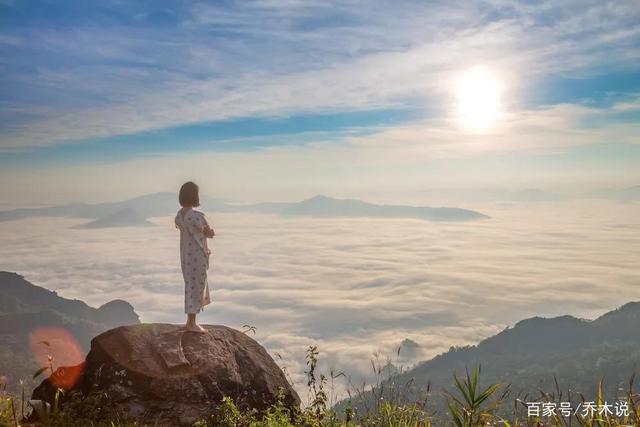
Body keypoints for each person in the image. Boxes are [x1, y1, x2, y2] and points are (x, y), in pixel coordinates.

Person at [174, 181, 214, 333]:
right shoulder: (197, 216)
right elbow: (207, 232)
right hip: (197, 255)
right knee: (197, 286)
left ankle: (189, 321)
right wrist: (210, 233)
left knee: (189, 285)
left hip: (185, 256)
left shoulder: (179, 216)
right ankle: (192, 323)